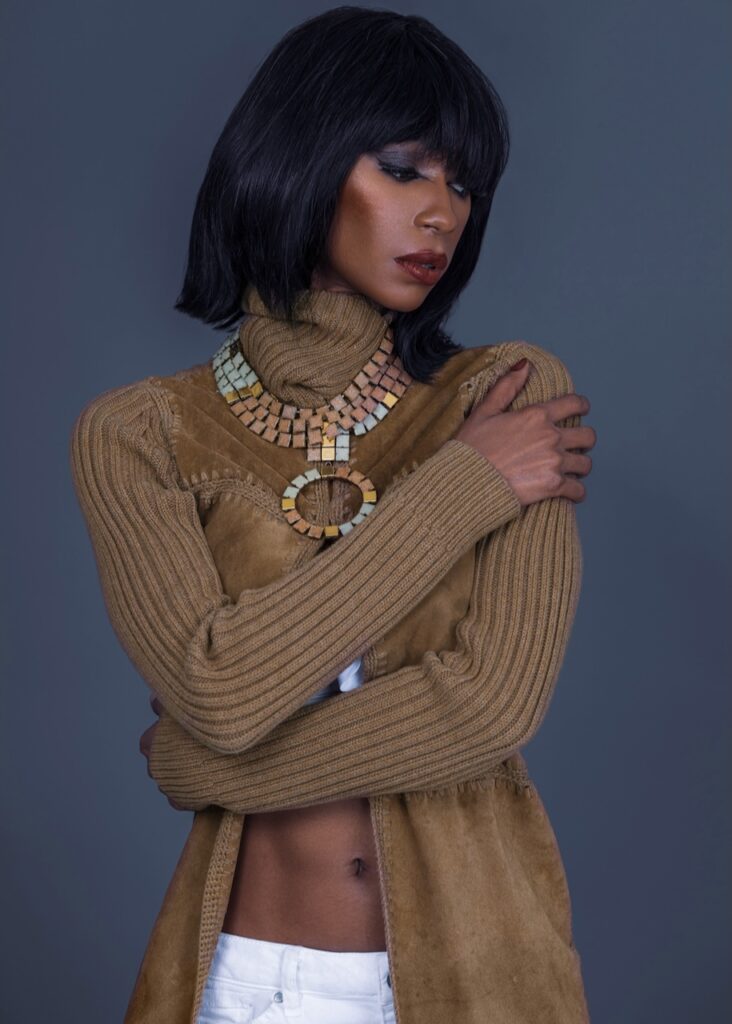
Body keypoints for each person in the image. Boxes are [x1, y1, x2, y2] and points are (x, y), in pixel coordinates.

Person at [71, 7, 597, 1023]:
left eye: (464, 186)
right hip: (242, 981)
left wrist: (201, 767)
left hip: (481, 975)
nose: (443, 214)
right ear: (299, 160)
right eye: (404, 170)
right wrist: (462, 487)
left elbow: (488, 708)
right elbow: (220, 688)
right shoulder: (141, 433)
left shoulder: (506, 394)